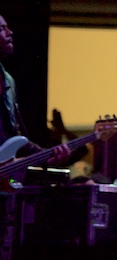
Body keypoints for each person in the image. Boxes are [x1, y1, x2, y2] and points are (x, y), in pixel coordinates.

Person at [0, 14, 71, 170]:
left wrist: (47, 156)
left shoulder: (8, 81)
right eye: (2, 29)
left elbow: (13, 137)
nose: (10, 32)